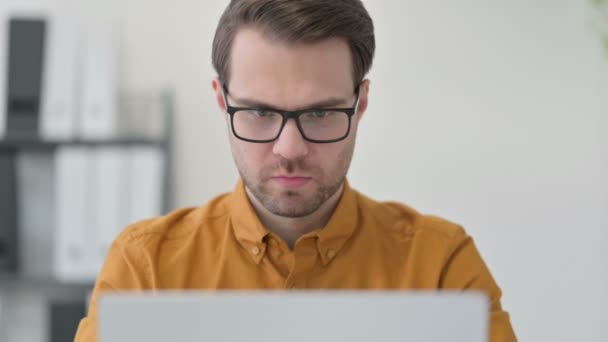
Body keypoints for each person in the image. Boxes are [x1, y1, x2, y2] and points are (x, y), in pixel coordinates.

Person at [75, 0, 516, 341]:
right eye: (259, 112)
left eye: (321, 114)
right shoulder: (145, 269)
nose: (290, 149)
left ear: (360, 104)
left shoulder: (441, 267)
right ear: (221, 100)